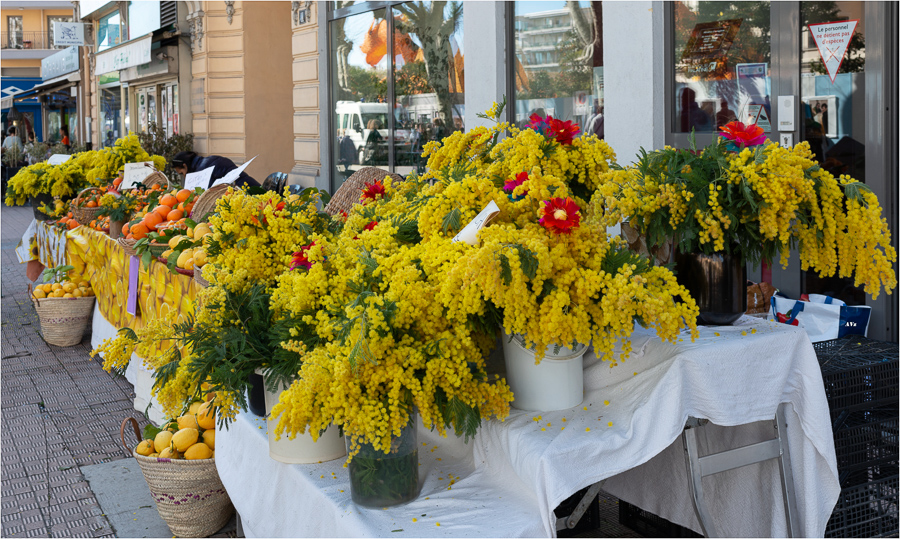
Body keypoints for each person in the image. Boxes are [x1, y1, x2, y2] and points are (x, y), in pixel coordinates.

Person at [170, 151, 259, 189]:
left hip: (244, 191)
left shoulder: (201, 172)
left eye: (182, 173)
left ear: (185, 166)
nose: (184, 177)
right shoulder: (209, 159)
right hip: (250, 185)